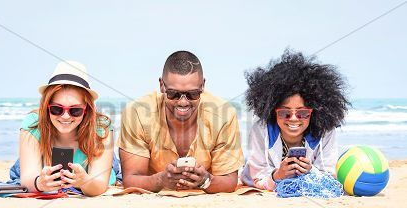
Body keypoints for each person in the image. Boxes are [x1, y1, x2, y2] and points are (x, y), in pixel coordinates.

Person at [118, 51, 244, 193]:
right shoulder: (137, 113)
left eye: (192, 94)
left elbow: (229, 181)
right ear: (161, 86)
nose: (183, 102)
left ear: (202, 86)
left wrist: (206, 181)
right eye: (173, 94)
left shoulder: (223, 115)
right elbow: (131, 179)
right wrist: (162, 180)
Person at [241, 49, 350, 191]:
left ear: (314, 111)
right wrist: (277, 175)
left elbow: (329, 176)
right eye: (285, 113)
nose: (293, 119)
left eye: (302, 113)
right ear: (274, 111)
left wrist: (311, 171)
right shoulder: (261, 129)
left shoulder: (326, 130)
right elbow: (258, 177)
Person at [19, 61, 114, 196]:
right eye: (57, 109)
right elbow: (28, 178)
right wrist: (39, 183)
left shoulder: (101, 128)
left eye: (75, 110)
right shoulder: (33, 124)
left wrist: (85, 182)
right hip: (34, 160)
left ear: (86, 109)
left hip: (98, 162)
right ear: (47, 106)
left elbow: (99, 185)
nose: (65, 116)